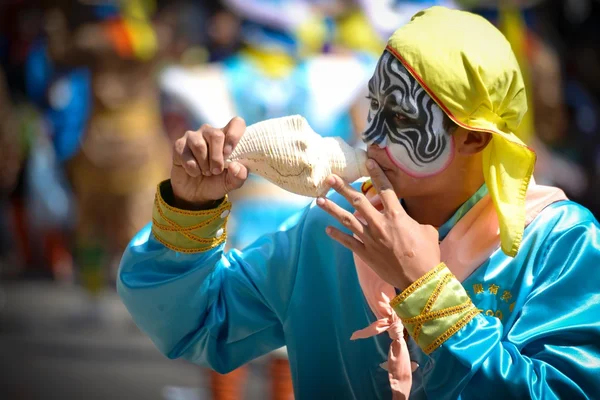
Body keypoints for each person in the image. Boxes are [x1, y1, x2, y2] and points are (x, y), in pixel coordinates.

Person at [118, 7, 600, 399]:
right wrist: (190, 209)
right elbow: (196, 325)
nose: (373, 138)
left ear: (474, 139)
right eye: (375, 108)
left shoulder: (559, 244)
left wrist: (430, 296)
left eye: (403, 117)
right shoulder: (328, 231)